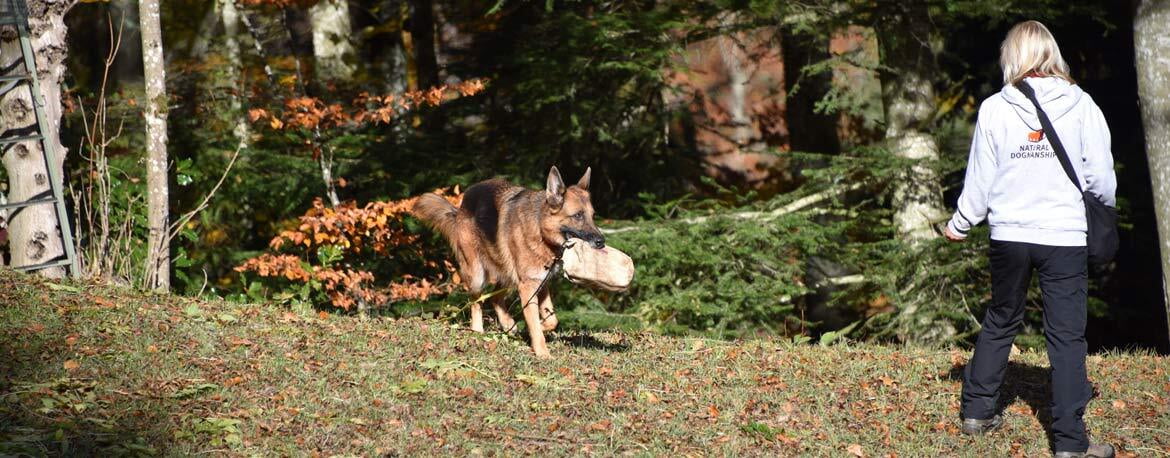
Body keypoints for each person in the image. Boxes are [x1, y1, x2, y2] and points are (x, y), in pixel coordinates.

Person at [942, 20, 1116, 458]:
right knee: (1066, 336)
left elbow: (980, 180)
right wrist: (1100, 213)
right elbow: (1100, 177)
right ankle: (1071, 444)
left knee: (1002, 316)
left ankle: (978, 411)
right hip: (1064, 235)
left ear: (1012, 57)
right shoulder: (1082, 105)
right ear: (1051, 53)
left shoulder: (995, 108)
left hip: (1009, 233)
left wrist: (961, 223)